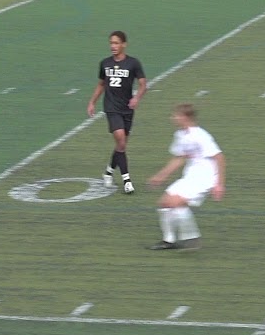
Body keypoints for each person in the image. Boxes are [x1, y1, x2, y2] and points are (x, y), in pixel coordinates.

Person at [146, 103, 225, 250]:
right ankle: (169, 241)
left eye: (175, 115)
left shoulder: (200, 135)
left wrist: (219, 184)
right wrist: (160, 176)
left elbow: (219, 157)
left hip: (205, 178)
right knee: (164, 203)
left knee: (175, 202)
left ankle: (191, 238)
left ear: (185, 117)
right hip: (190, 177)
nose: (172, 118)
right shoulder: (180, 135)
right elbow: (179, 158)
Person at [87, 30, 146, 194]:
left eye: (116, 43)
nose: (113, 46)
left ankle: (108, 172)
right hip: (111, 108)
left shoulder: (133, 63)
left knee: (121, 145)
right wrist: (92, 102)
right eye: (111, 43)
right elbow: (101, 84)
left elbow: (143, 84)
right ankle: (127, 180)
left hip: (127, 108)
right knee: (120, 139)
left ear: (124, 44)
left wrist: (137, 98)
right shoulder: (104, 63)